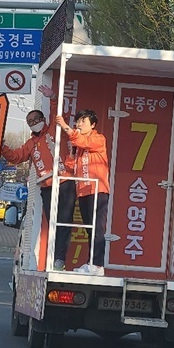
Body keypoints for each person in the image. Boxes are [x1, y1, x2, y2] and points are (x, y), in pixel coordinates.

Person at [1, 85, 76, 271]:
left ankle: (59, 259)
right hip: (48, 186)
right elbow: (16, 157)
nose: (34, 122)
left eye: (36, 119)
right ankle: (54, 258)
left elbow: (58, 114)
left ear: (42, 119)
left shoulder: (53, 130)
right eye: (30, 121)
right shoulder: (30, 144)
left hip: (65, 181)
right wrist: (1, 146)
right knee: (52, 223)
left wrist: (53, 97)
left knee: (64, 222)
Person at [56, 110, 110, 276]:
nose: (79, 124)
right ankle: (91, 263)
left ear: (92, 124)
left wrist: (65, 126)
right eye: (77, 121)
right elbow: (71, 167)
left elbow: (83, 141)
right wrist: (72, 152)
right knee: (89, 228)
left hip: (97, 189)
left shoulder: (98, 139)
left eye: (83, 121)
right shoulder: (78, 147)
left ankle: (98, 265)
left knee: (97, 229)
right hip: (83, 190)